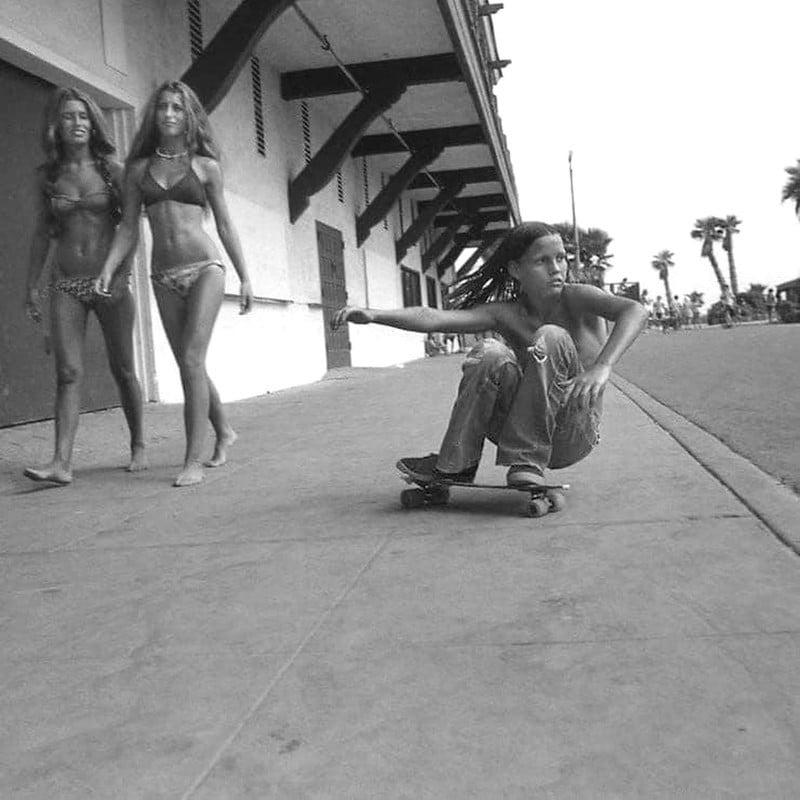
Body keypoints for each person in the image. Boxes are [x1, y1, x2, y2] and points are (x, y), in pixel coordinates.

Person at [331, 222, 648, 487]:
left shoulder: (578, 298)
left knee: (550, 335)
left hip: (574, 433)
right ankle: (456, 464)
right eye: (543, 261)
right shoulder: (505, 313)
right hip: (521, 425)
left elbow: (634, 311)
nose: (557, 269)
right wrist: (374, 315)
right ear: (515, 269)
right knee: (489, 352)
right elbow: (436, 318)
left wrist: (602, 366)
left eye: (562, 258)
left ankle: (527, 460)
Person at [96, 80, 254, 487]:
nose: (169, 114)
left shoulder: (205, 166)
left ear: (189, 117)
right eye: (163, 107)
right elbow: (129, 227)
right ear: (155, 115)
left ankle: (192, 460)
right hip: (162, 275)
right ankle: (223, 431)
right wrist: (108, 268)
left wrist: (246, 276)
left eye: (178, 108)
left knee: (190, 361)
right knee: (190, 362)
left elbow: (224, 224)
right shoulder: (137, 170)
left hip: (205, 267)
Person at [23, 86, 147, 486]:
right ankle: (61, 463)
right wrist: (31, 286)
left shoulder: (113, 169)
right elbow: (42, 234)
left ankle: (139, 444)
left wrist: (121, 273)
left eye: (82, 117)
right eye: (67, 117)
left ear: (93, 123)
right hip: (66, 283)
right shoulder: (50, 176)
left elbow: (130, 228)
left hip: (109, 281)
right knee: (68, 372)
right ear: (55, 126)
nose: (75, 123)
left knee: (124, 368)